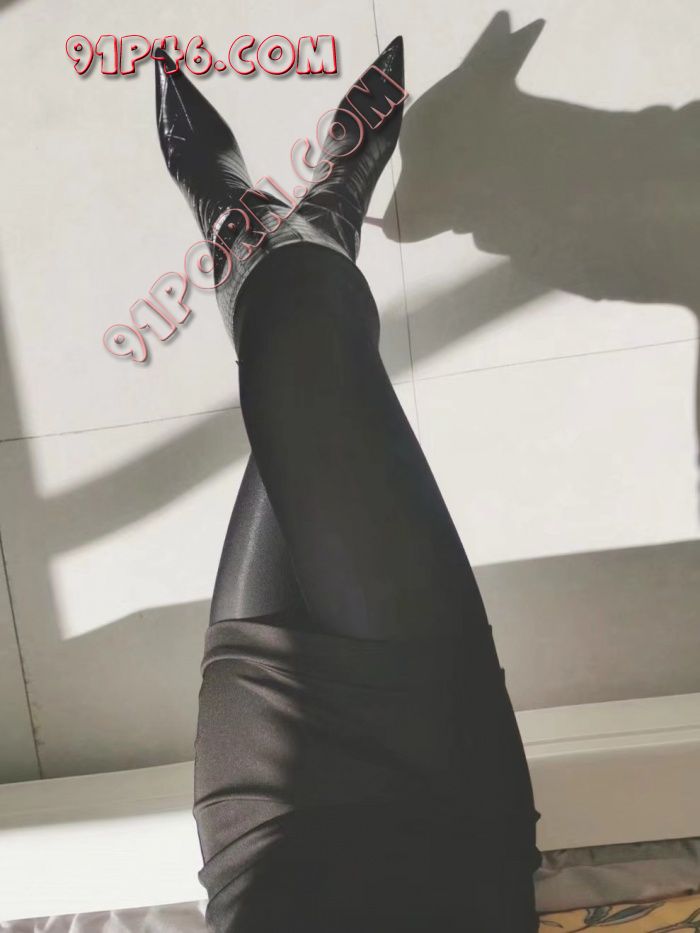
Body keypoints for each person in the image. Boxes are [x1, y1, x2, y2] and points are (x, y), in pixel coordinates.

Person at [154, 36, 542, 933]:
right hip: (450, 817)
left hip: (270, 839)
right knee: (308, 378)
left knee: (304, 385)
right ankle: (278, 219)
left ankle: (297, 216)